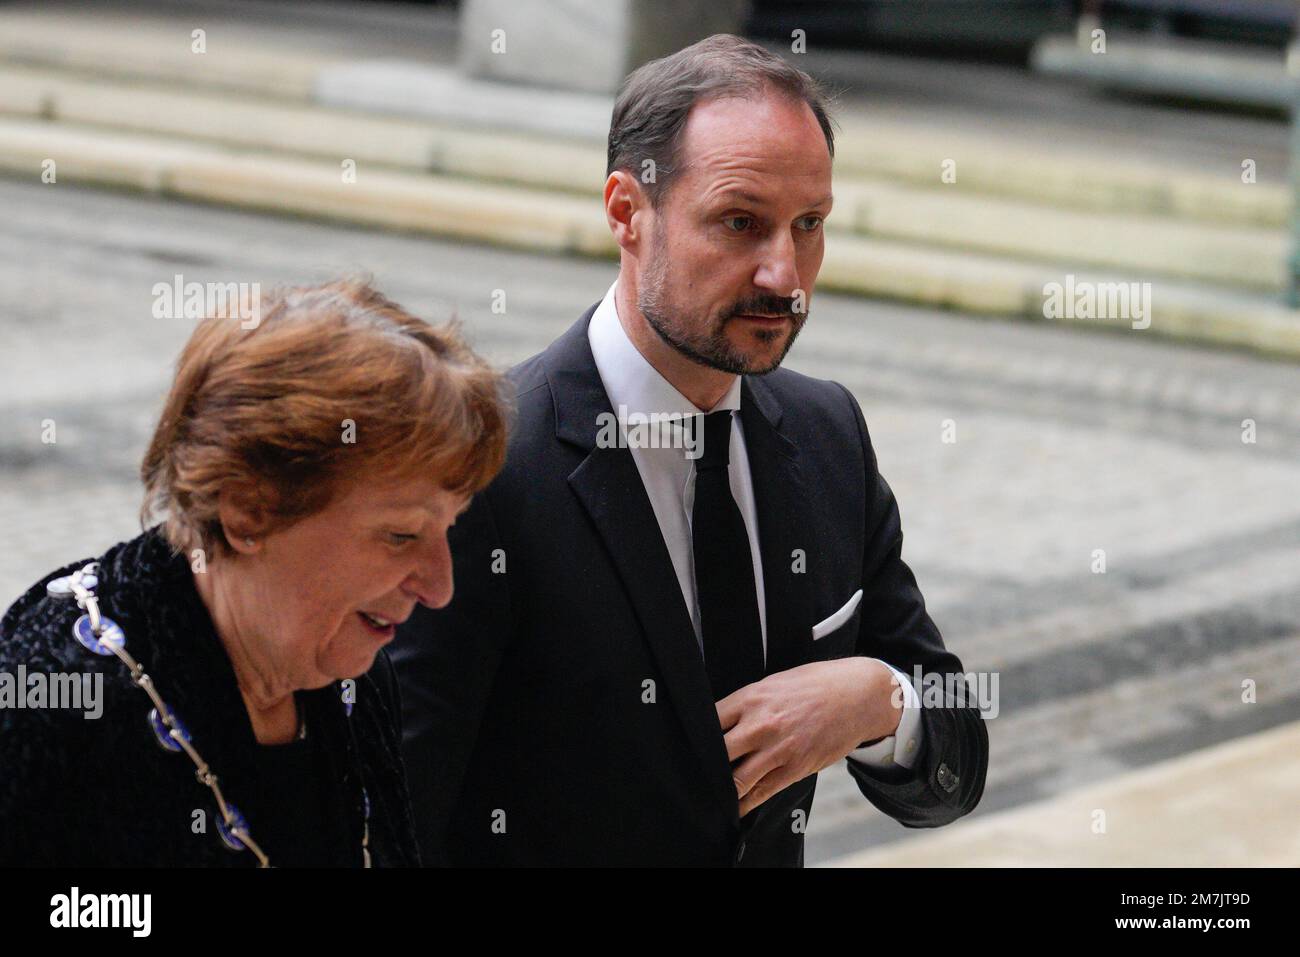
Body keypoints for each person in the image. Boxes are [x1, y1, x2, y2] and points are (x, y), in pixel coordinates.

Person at [390, 34, 989, 867]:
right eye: (740, 223)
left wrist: (880, 702)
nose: (786, 274)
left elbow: (957, 756)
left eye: (809, 225)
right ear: (627, 213)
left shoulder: (827, 433)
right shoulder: (483, 464)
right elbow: (395, 819)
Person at [0, 279, 509, 867]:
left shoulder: (349, 681)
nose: (439, 586)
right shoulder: (54, 710)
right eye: (400, 535)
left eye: (451, 527)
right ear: (248, 511)